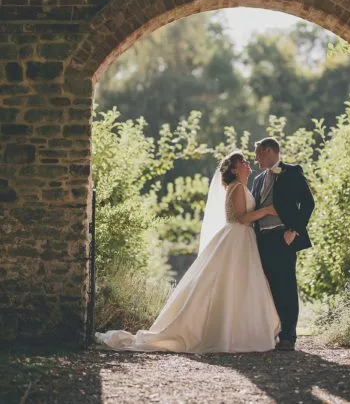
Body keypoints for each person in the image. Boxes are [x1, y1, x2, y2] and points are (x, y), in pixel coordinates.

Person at [95, 151, 280, 353]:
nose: (248, 164)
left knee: (238, 284)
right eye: (243, 162)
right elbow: (241, 218)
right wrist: (267, 211)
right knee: (232, 283)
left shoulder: (240, 187)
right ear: (235, 169)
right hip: (236, 239)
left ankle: (237, 331)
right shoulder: (236, 188)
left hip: (242, 240)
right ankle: (228, 334)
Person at [252, 137, 315, 351]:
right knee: (267, 288)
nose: (256, 159)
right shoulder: (258, 180)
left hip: (283, 237)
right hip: (261, 240)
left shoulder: (292, 172)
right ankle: (272, 334)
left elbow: (308, 203)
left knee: (286, 286)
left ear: (269, 150)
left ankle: (288, 336)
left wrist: (294, 231)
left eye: (258, 154)